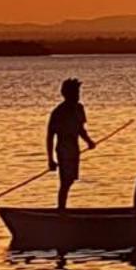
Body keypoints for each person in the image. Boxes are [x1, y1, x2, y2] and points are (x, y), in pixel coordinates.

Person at [45, 78, 95, 210]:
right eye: (75, 93)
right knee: (65, 182)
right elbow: (50, 136)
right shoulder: (58, 112)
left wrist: (88, 141)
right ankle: (61, 208)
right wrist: (50, 160)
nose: (78, 95)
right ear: (67, 94)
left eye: (78, 92)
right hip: (63, 149)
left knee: (71, 180)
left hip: (74, 149)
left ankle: (62, 207)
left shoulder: (79, 108)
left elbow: (80, 129)